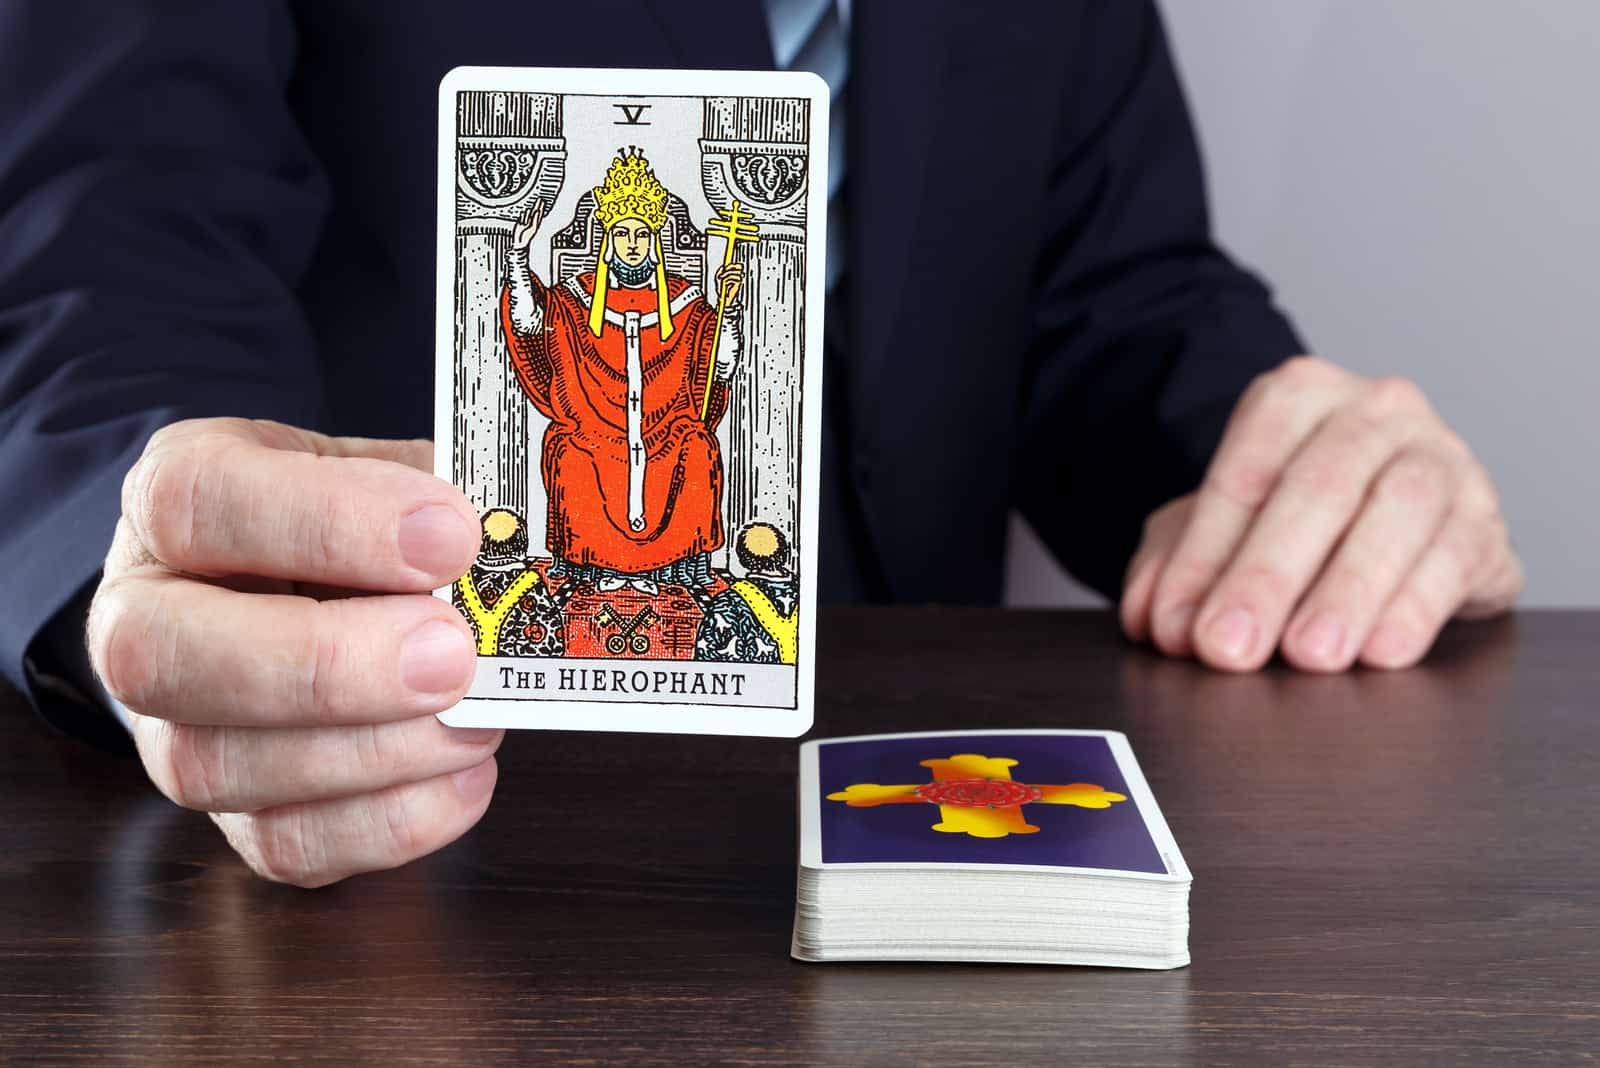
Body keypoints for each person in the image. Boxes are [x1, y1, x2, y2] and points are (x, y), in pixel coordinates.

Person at [0, 2, 1521, 887]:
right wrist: (152, 567)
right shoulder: (573, 304)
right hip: (404, 859)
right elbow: (101, 255)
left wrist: (1302, 476)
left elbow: (1102, 297)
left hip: (907, 856)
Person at [501, 148, 744, 592]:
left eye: (642, 235)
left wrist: (727, 311)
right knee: (569, 453)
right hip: (595, 431)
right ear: (606, 242)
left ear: (656, 242)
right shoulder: (574, 297)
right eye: (622, 234)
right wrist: (519, 255)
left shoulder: (686, 304)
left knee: (697, 449)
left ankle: (678, 573)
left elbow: (718, 368)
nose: (632, 243)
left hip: (665, 433)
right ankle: (584, 572)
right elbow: (529, 323)